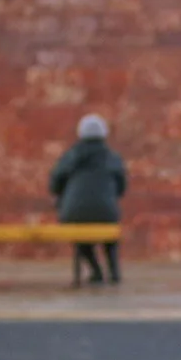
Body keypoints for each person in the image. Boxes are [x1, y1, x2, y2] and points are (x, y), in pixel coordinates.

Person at [49, 114, 128, 284]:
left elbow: (55, 183)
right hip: (106, 212)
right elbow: (121, 187)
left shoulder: (70, 156)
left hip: (74, 213)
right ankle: (114, 271)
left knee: (81, 236)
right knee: (110, 235)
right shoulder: (112, 157)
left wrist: (64, 198)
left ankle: (96, 270)